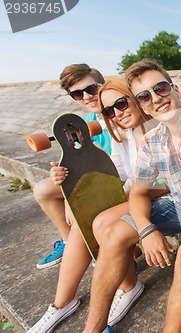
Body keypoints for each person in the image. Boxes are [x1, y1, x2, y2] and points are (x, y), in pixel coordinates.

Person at [83, 61, 181, 333]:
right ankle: (93, 329)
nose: (156, 98)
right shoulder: (153, 141)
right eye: (145, 96)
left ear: (174, 88)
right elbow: (139, 192)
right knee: (113, 233)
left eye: (160, 88)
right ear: (142, 105)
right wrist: (146, 229)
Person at [27, 78, 156, 333]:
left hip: (154, 196)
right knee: (84, 218)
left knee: (97, 219)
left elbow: (157, 182)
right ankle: (62, 303)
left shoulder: (152, 128)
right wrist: (70, 187)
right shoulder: (121, 132)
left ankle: (126, 287)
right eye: (109, 110)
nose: (117, 113)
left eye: (121, 103)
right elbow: (116, 175)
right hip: (136, 193)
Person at [33, 64, 112, 269]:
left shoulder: (121, 112)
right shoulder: (83, 124)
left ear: (103, 85)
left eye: (91, 89)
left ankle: (91, 248)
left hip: (113, 179)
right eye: (77, 94)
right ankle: (70, 244)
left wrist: (72, 197)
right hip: (92, 177)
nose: (86, 97)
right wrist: (63, 172)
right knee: (43, 189)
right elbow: (79, 160)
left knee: (79, 204)